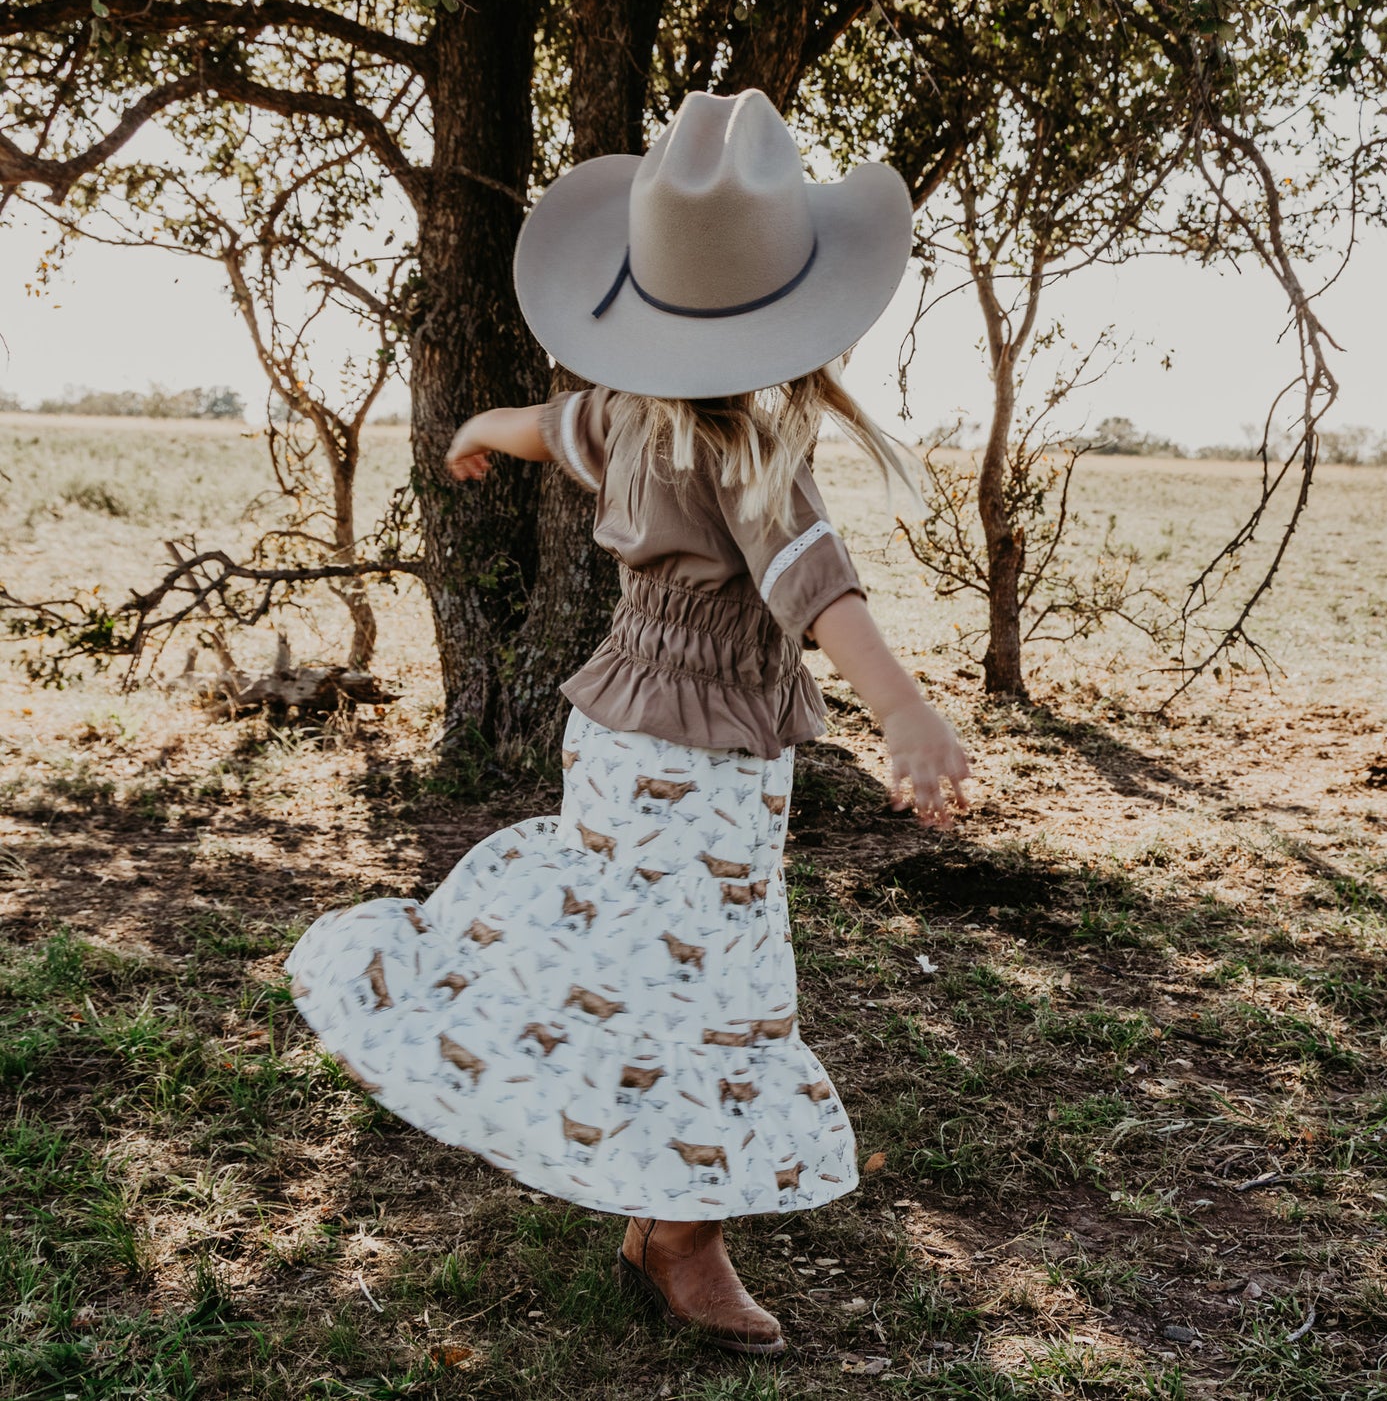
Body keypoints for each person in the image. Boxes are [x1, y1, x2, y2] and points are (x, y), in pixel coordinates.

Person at [286, 88, 972, 1357]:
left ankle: (660, 1204)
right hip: (699, 765)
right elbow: (823, 596)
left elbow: (540, 429)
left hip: (613, 738)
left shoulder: (625, 415)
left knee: (640, 961)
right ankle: (681, 1231)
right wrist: (909, 716)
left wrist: (478, 433)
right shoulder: (748, 453)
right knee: (709, 984)